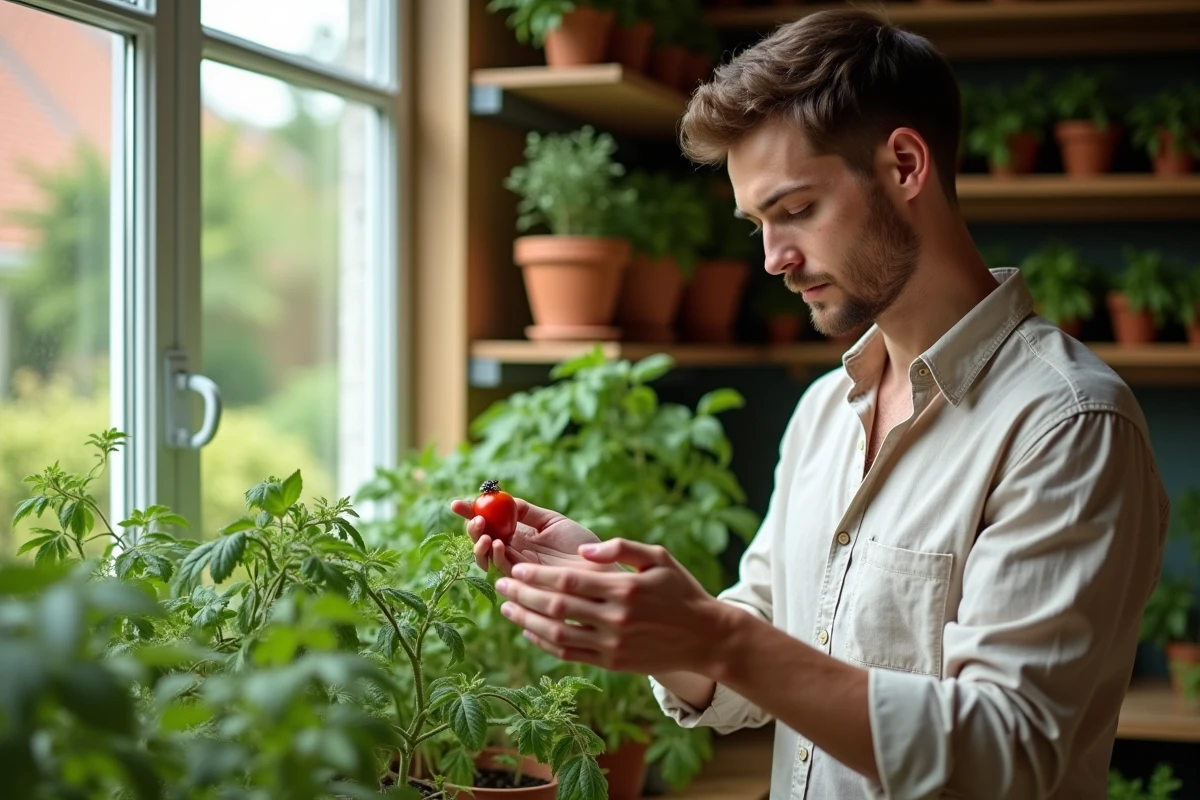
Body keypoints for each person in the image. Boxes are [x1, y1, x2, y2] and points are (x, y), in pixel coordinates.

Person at [451, 8, 1170, 799]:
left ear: (903, 165)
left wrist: (720, 638)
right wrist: (636, 610)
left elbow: (1011, 754)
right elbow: (764, 647)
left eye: (794, 210)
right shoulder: (826, 411)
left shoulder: (1067, 425)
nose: (772, 258)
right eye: (757, 223)